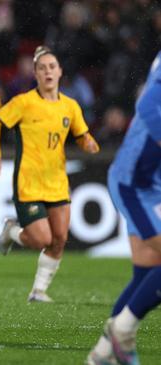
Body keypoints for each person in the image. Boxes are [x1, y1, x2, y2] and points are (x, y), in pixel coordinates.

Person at [0, 46, 99, 302]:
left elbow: (82, 135)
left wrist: (89, 143)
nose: (47, 71)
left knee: (59, 239)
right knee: (41, 239)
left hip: (57, 182)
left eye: (52, 67)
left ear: (60, 72)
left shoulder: (70, 107)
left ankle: (38, 291)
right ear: (35, 74)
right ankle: (11, 230)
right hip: (29, 182)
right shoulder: (24, 103)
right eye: (42, 68)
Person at [87, 51, 161, 365]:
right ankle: (123, 334)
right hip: (136, 184)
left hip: (150, 183)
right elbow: (146, 105)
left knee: (146, 273)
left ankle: (102, 355)